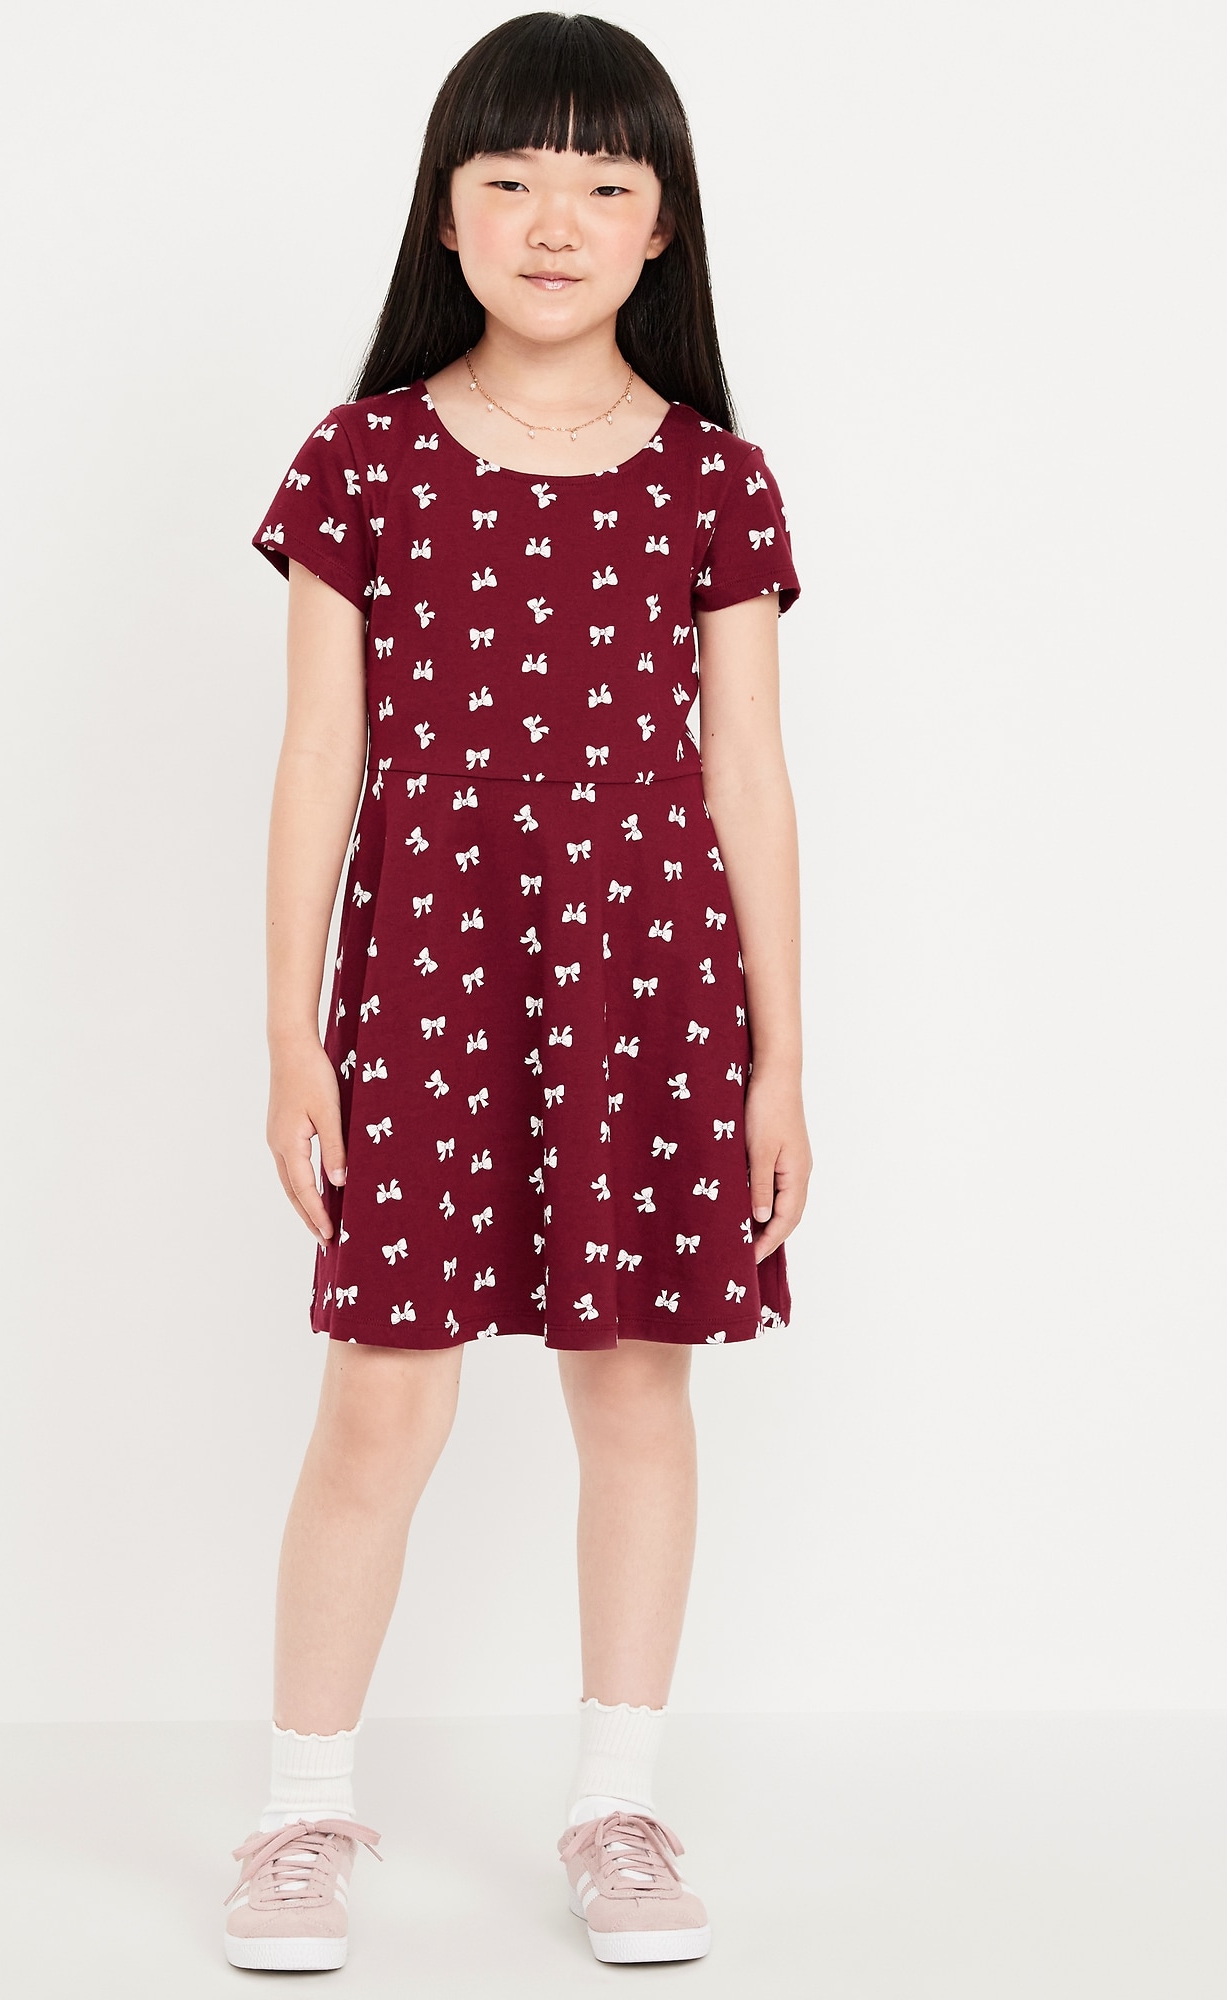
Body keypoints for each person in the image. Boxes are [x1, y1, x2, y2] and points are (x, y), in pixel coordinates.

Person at [225, 10, 812, 1972]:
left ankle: (616, 1806)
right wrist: (293, 1034)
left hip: (653, 998)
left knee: (634, 1391)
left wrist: (781, 1065)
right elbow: (320, 762)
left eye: (603, 183)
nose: (555, 222)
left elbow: (747, 779)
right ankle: (299, 1816)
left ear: (663, 224)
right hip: (426, 992)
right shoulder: (363, 461)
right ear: (446, 211)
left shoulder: (716, 480)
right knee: (377, 1408)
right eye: (511, 180)